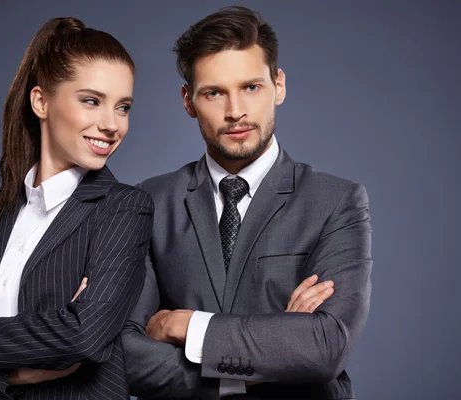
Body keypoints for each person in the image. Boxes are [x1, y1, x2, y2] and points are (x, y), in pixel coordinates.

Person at [122, 6, 371, 399]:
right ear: (188, 101)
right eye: (214, 92)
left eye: (251, 87)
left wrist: (190, 327)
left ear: (279, 85)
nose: (235, 111)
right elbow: (123, 353)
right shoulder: (148, 202)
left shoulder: (336, 202)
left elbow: (325, 347)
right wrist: (271, 354)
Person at [0, 17, 153, 400]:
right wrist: (13, 377)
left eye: (123, 107)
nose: (112, 124)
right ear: (41, 101)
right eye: (91, 101)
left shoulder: (124, 208)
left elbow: (84, 336)